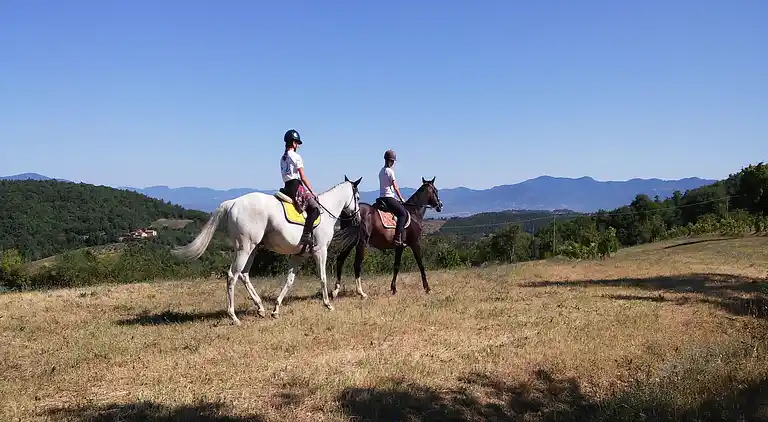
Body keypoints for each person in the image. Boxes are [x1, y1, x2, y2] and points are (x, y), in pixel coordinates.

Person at [280, 129, 320, 247]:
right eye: (297, 143)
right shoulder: (296, 156)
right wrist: (312, 191)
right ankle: (306, 235)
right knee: (315, 208)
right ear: (293, 143)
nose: (298, 145)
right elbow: (302, 176)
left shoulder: (282, 158)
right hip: (296, 187)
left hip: (286, 187)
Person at [378, 149, 407, 246]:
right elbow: (395, 187)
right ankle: (397, 238)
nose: (393, 163)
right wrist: (401, 198)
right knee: (402, 214)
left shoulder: (381, 171)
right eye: (393, 161)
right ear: (391, 161)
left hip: (381, 198)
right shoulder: (390, 172)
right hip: (388, 198)